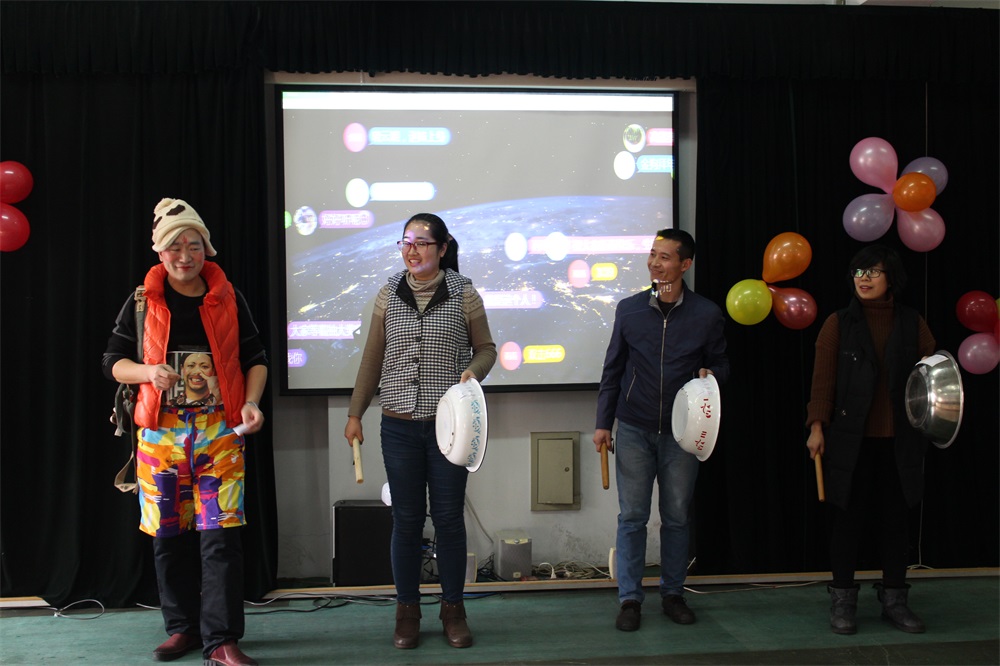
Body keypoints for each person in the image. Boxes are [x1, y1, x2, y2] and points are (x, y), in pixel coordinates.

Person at [102, 198, 268, 666]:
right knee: (168, 538)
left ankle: (221, 640)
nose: (184, 255)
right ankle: (182, 629)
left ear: (206, 249)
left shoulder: (228, 298)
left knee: (221, 538)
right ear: (160, 252)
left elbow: (255, 359)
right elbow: (112, 362)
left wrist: (251, 402)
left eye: (193, 245)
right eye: (174, 247)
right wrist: (147, 372)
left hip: (220, 432)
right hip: (161, 434)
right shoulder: (142, 301)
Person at [345, 213, 496, 650]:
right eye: (406, 242)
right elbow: (372, 359)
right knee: (407, 520)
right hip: (397, 426)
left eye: (422, 243)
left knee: (448, 519)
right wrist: (355, 414)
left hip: (451, 429)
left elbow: (486, 349)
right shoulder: (388, 292)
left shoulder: (464, 293)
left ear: (443, 248)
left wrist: (472, 372)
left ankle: (453, 610)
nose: (412, 250)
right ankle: (407, 611)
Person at [594, 228, 729, 633]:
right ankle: (630, 599)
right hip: (633, 428)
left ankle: (673, 594)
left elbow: (721, 363)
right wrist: (603, 423)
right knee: (632, 517)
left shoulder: (706, 314)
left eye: (664, 256)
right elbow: (613, 369)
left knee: (676, 517)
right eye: (652, 254)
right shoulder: (630, 309)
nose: (655, 263)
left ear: (685, 264)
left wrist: (712, 375)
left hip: (683, 433)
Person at [805, 244, 935, 636]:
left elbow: (932, 377)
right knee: (847, 522)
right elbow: (823, 381)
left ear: (891, 278)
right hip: (850, 441)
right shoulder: (838, 323)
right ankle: (843, 601)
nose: (863, 279)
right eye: (858, 272)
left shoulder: (913, 323)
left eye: (873, 272)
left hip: (901, 441)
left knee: (896, 523)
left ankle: (895, 600)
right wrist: (816, 427)